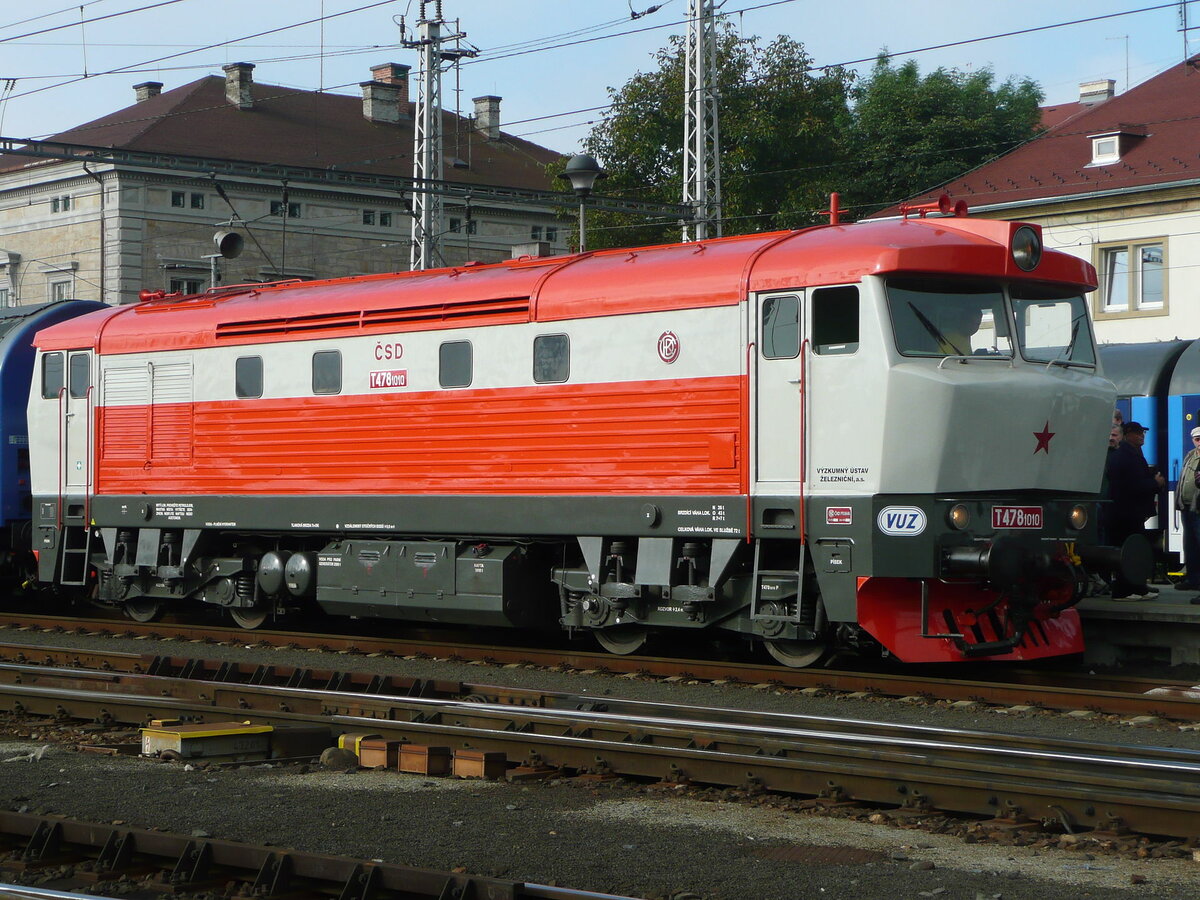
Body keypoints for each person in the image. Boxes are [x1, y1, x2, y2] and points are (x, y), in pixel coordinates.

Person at [1105, 421, 1165, 600]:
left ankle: (1137, 586)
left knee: (1136, 549)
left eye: (1143, 433)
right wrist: (1155, 483)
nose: (1142, 436)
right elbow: (1132, 485)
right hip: (1126, 512)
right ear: (1128, 434)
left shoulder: (1130, 454)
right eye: (1138, 433)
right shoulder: (1125, 455)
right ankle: (1124, 590)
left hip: (1130, 511)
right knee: (1128, 550)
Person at [1175, 425, 1200, 598]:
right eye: (1197, 439)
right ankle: (1193, 579)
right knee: (1190, 545)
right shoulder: (1190, 456)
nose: (1199, 442)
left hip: (1199, 508)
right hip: (1186, 507)